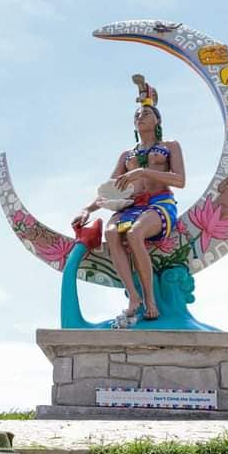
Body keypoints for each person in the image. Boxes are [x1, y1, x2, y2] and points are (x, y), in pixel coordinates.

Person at [72, 85, 184, 321]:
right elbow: (110, 190)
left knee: (134, 234)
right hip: (131, 206)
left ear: (157, 120)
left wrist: (144, 172)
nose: (140, 117)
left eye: (145, 114)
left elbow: (180, 180)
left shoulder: (169, 146)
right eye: (136, 116)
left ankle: (150, 300)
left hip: (159, 203)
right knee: (112, 233)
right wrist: (87, 210)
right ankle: (134, 297)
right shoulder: (127, 155)